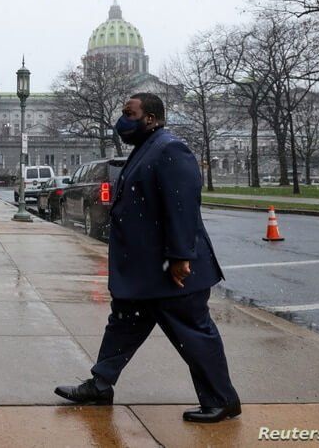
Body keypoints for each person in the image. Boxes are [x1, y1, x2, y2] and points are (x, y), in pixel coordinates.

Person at [54, 93, 241, 423]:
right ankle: (100, 384)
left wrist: (182, 255)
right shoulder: (146, 148)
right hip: (145, 273)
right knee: (122, 326)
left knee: (194, 335)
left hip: (172, 272)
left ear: (150, 118)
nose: (123, 120)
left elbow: (182, 205)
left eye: (130, 113)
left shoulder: (170, 148)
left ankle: (222, 400)